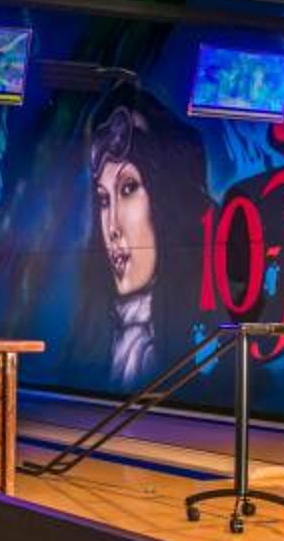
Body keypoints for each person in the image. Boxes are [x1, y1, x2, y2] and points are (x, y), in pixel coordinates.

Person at [73, 92, 208, 391]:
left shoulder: (202, 346)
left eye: (128, 188)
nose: (112, 227)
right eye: (104, 200)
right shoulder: (100, 338)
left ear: (167, 198)